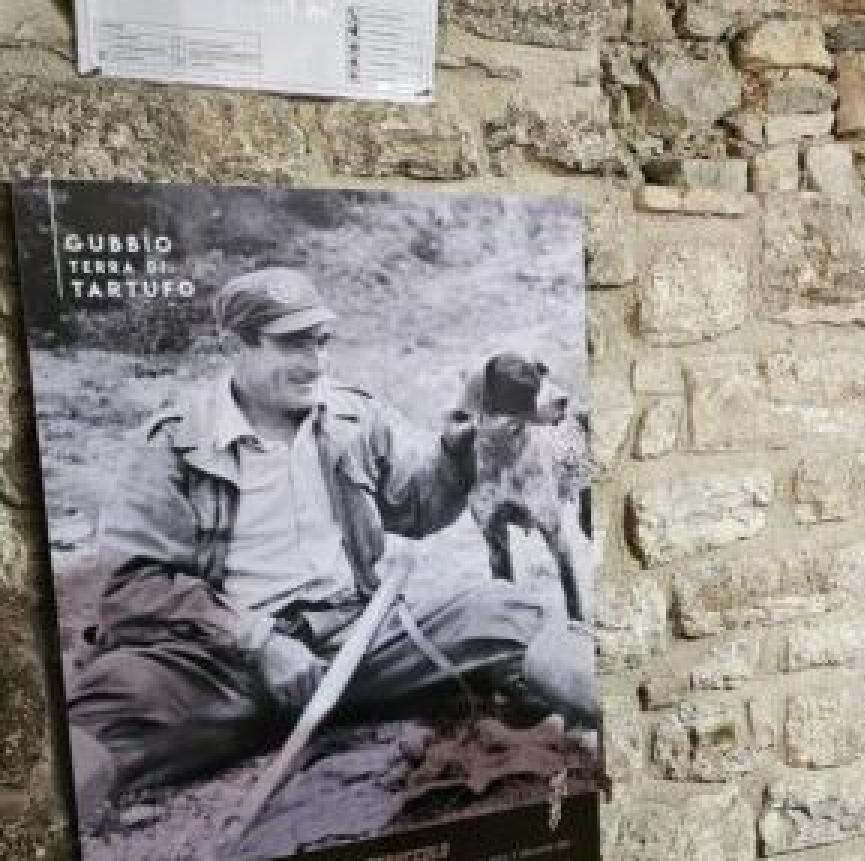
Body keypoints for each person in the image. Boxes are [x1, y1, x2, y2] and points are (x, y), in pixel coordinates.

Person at [67, 267, 595, 828]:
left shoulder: (351, 418)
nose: (316, 363)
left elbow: (418, 508)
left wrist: (453, 453)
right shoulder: (173, 442)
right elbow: (131, 584)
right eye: (293, 344)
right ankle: (51, 852)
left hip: (355, 640)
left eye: (321, 342)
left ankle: (615, 724)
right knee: (112, 696)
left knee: (502, 610)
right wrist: (260, 642)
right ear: (235, 345)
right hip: (223, 662)